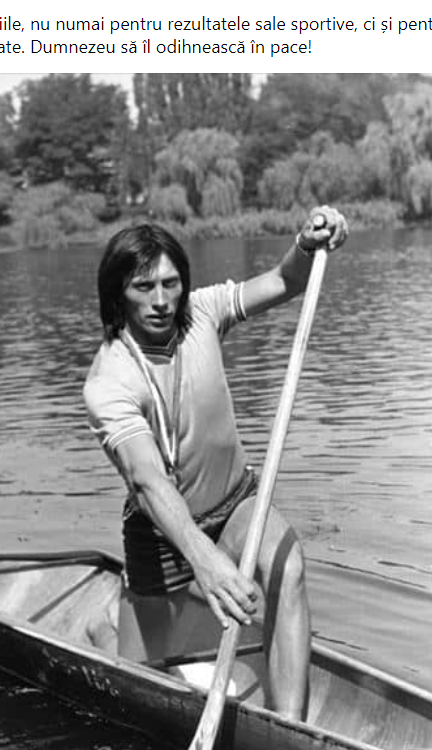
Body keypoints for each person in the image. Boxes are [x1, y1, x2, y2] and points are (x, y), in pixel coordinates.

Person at [83, 207, 348, 720]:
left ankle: (288, 729)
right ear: (118, 294)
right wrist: (204, 561)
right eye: (143, 287)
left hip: (235, 504)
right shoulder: (108, 381)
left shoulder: (202, 312)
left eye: (170, 283)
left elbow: (285, 280)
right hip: (163, 536)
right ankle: (105, 627)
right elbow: (147, 481)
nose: (161, 301)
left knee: (288, 567)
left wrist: (307, 243)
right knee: (143, 681)